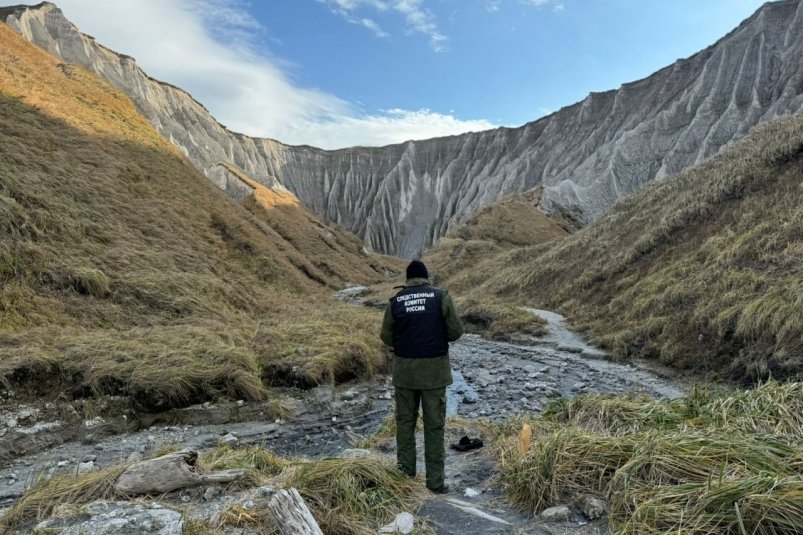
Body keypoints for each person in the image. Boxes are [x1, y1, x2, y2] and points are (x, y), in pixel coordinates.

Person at [380, 259, 464, 494]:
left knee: (405, 424)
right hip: (434, 374)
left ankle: (406, 475)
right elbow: (456, 331)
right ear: (426, 277)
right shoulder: (441, 297)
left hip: (405, 373)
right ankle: (435, 482)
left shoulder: (395, 302)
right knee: (434, 426)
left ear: (407, 280)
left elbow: (386, 335)